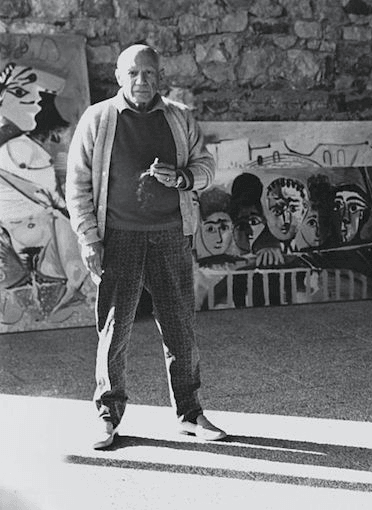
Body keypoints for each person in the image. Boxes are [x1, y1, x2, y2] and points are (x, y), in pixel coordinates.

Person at [65, 44, 226, 449]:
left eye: (149, 74)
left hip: (171, 234)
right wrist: (88, 238)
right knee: (114, 330)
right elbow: (77, 185)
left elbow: (206, 167)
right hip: (118, 237)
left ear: (160, 76)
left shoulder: (179, 117)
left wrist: (183, 178)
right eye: (133, 74)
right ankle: (107, 416)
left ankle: (190, 414)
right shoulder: (99, 119)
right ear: (119, 77)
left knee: (180, 328)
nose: (142, 81)